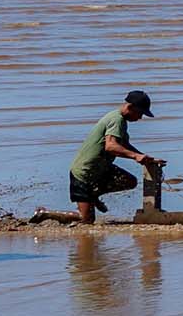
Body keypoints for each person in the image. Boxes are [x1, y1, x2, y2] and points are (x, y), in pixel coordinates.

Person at [63, 90, 165, 223]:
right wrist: (135, 156)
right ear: (130, 107)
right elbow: (111, 146)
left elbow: (124, 145)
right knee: (86, 220)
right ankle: (45, 213)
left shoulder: (120, 121)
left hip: (100, 169)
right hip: (84, 173)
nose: (140, 118)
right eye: (140, 113)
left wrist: (144, 157)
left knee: (129, 181)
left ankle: (93, 195)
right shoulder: (116, 119)